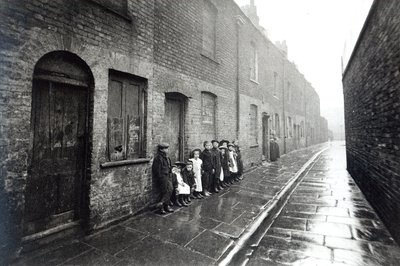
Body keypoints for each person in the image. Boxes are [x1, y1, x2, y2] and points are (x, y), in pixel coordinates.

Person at [152, 143, 174, 214]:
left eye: (167, 148)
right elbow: (156, 170)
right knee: (163, 191)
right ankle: (161, 208)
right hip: (162, 177)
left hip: (168, 176)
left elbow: (169, 165)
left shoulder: (167, 157)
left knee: (170, 189)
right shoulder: (158, 158)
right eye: (165, 148)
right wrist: (160, 177)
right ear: (161, 149)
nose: (167, 150)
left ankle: (164, 204)